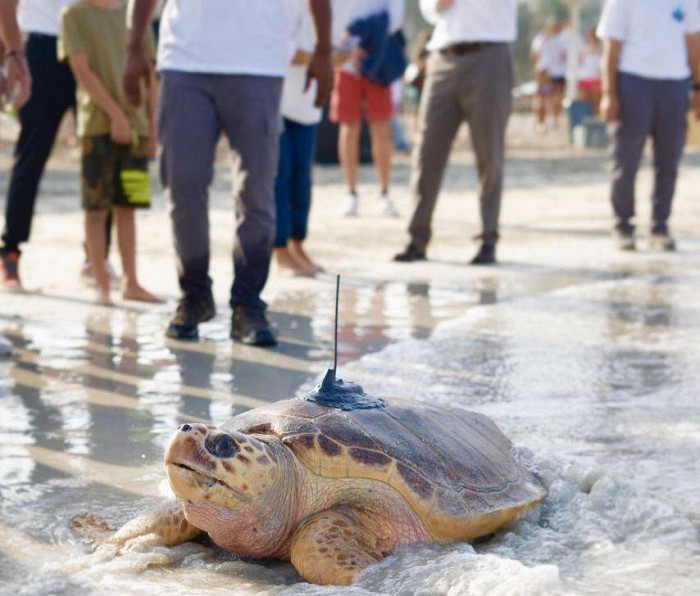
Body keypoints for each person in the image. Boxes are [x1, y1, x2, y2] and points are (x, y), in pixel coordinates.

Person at [124, 0, 333, 345]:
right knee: (183, 184)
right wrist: (133, 47)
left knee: (256, 191)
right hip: (184, 62)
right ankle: (194, 294)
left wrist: (323, 50)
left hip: (259, 63)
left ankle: (248, 304)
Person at [395, 0, 517, 266]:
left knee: (489, 153)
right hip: (443, 56)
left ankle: (487, 240)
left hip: (489, 55)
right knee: (426, 153)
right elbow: (430, 8)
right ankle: (417, 238)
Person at [59, 0, 161, 306]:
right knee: (96, 208)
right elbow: (81, 70)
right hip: (96, 127)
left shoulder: (137, 12)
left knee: (128, 207)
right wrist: (116, 116)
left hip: (138, 129)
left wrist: (152, 126)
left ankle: (131, 281)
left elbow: (150, 75)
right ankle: (102, 284)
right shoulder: (73, 15)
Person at [598, 0, 700, 251]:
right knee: (626, 159)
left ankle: (660, 226)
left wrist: (698, 87)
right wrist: (609, 93)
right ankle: (623, 225)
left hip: (675, 85)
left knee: (669, 160)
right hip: (633, 82)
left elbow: (693, 41)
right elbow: (611, 46)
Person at [0, 0, 77, 291]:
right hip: (41, 48)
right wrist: (13, 52)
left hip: (89, 44)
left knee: (105, 155)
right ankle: (10, 251)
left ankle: (97, 258)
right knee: (31, 156)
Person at [331, 0, 405, 218]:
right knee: (349, 126)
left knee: (381, 126)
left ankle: (384, 193)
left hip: (378, 59)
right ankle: (350, 193)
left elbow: (395, 18)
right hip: (346, 62)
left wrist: (369, 42)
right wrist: (347, 47)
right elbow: (332, 13)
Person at [274, 0, 324, 277]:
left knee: (302, 179)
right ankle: (279, 251)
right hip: (277, 100)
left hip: (308, 103)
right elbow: (277, 45)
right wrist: (320, 55)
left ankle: (297, 245)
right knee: (279, 178)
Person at [578, 28, 602, 116]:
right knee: (584, 100)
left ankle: (595, 119)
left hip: (596, 77)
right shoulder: (583, 47)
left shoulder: (600, 47)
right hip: (584, 77)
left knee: (595, 101)